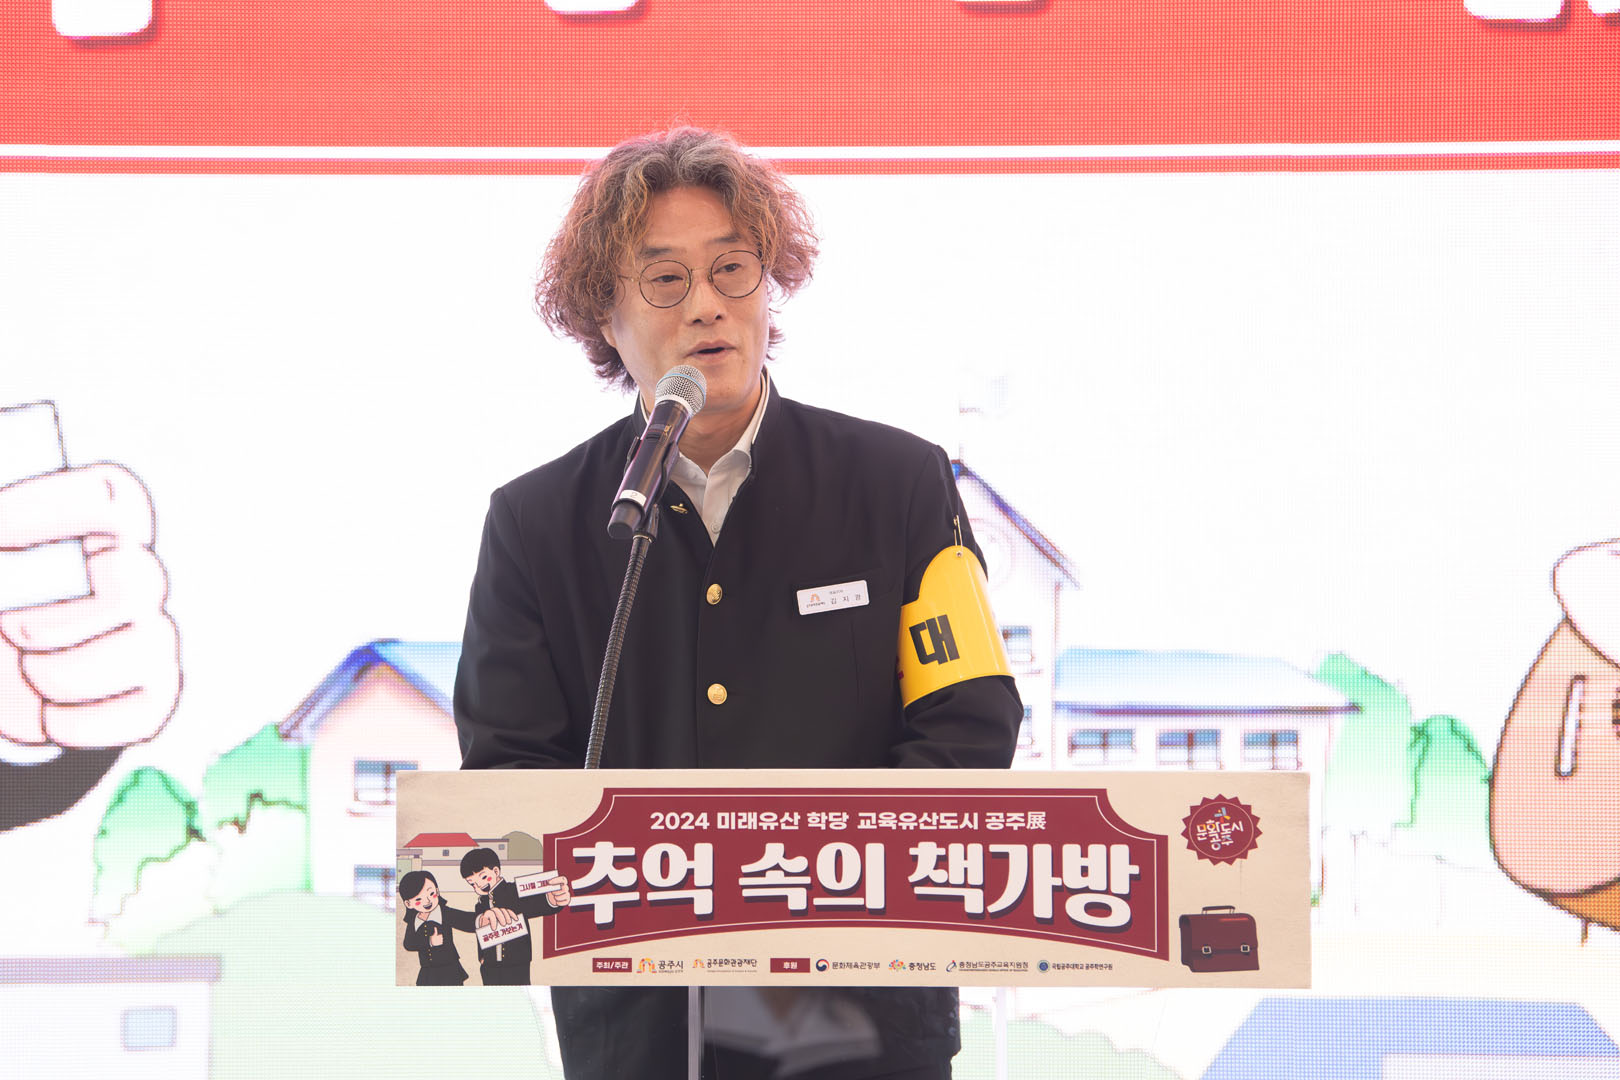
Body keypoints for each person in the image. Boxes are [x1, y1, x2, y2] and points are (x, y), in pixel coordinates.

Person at [453, 127, 1023, 1079]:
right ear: (603, 317)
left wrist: (818, 876)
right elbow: (506, 773)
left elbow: (968, 720)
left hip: (863, 1018)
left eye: (732, 269)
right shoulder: (536, 522)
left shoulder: (898, 482)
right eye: (664, 280)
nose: (706, 305)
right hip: (641, 1034)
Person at [460, 846, 572, 986]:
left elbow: (534, 904)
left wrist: (553, 900)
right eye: (472, 884)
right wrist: (482, 957)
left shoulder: (513, 891)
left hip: (517, 962)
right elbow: (480, 934)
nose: (479, 886)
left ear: (496, 871)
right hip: (490, 965)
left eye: (483, 877)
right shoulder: (480, 904)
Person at [398, 870, 476, 987]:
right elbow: (408, 944)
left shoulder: (444, 913)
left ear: (437, 891)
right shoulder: (414, 920)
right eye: (418, 900)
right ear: (408, 904)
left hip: (449, 969)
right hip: (427, 971)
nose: (427, 901)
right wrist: (430, 941)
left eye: (431, 894)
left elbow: (465, 920)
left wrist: (484, 918)